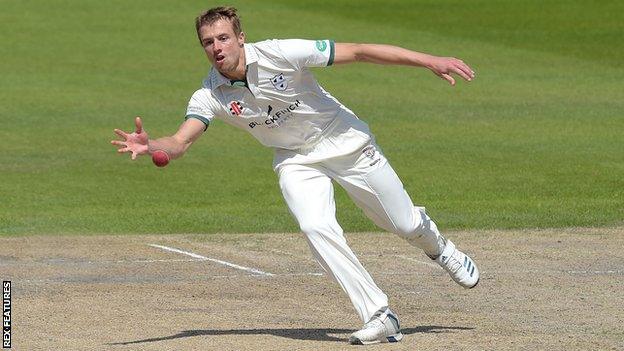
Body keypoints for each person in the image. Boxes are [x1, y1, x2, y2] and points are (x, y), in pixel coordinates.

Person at [111, 6, 479, 345]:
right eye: (208, 42)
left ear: (240, 37)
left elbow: (361, 51)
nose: (216, 47)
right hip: (295, 159)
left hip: (344, 140)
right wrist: (151, 144)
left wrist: (429, 60)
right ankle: (379, 314)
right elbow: (180, 141)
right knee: (315, 226)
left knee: (403, 223)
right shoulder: (210, 94)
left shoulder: (281, 52)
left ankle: (439, 247)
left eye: (223, 38)